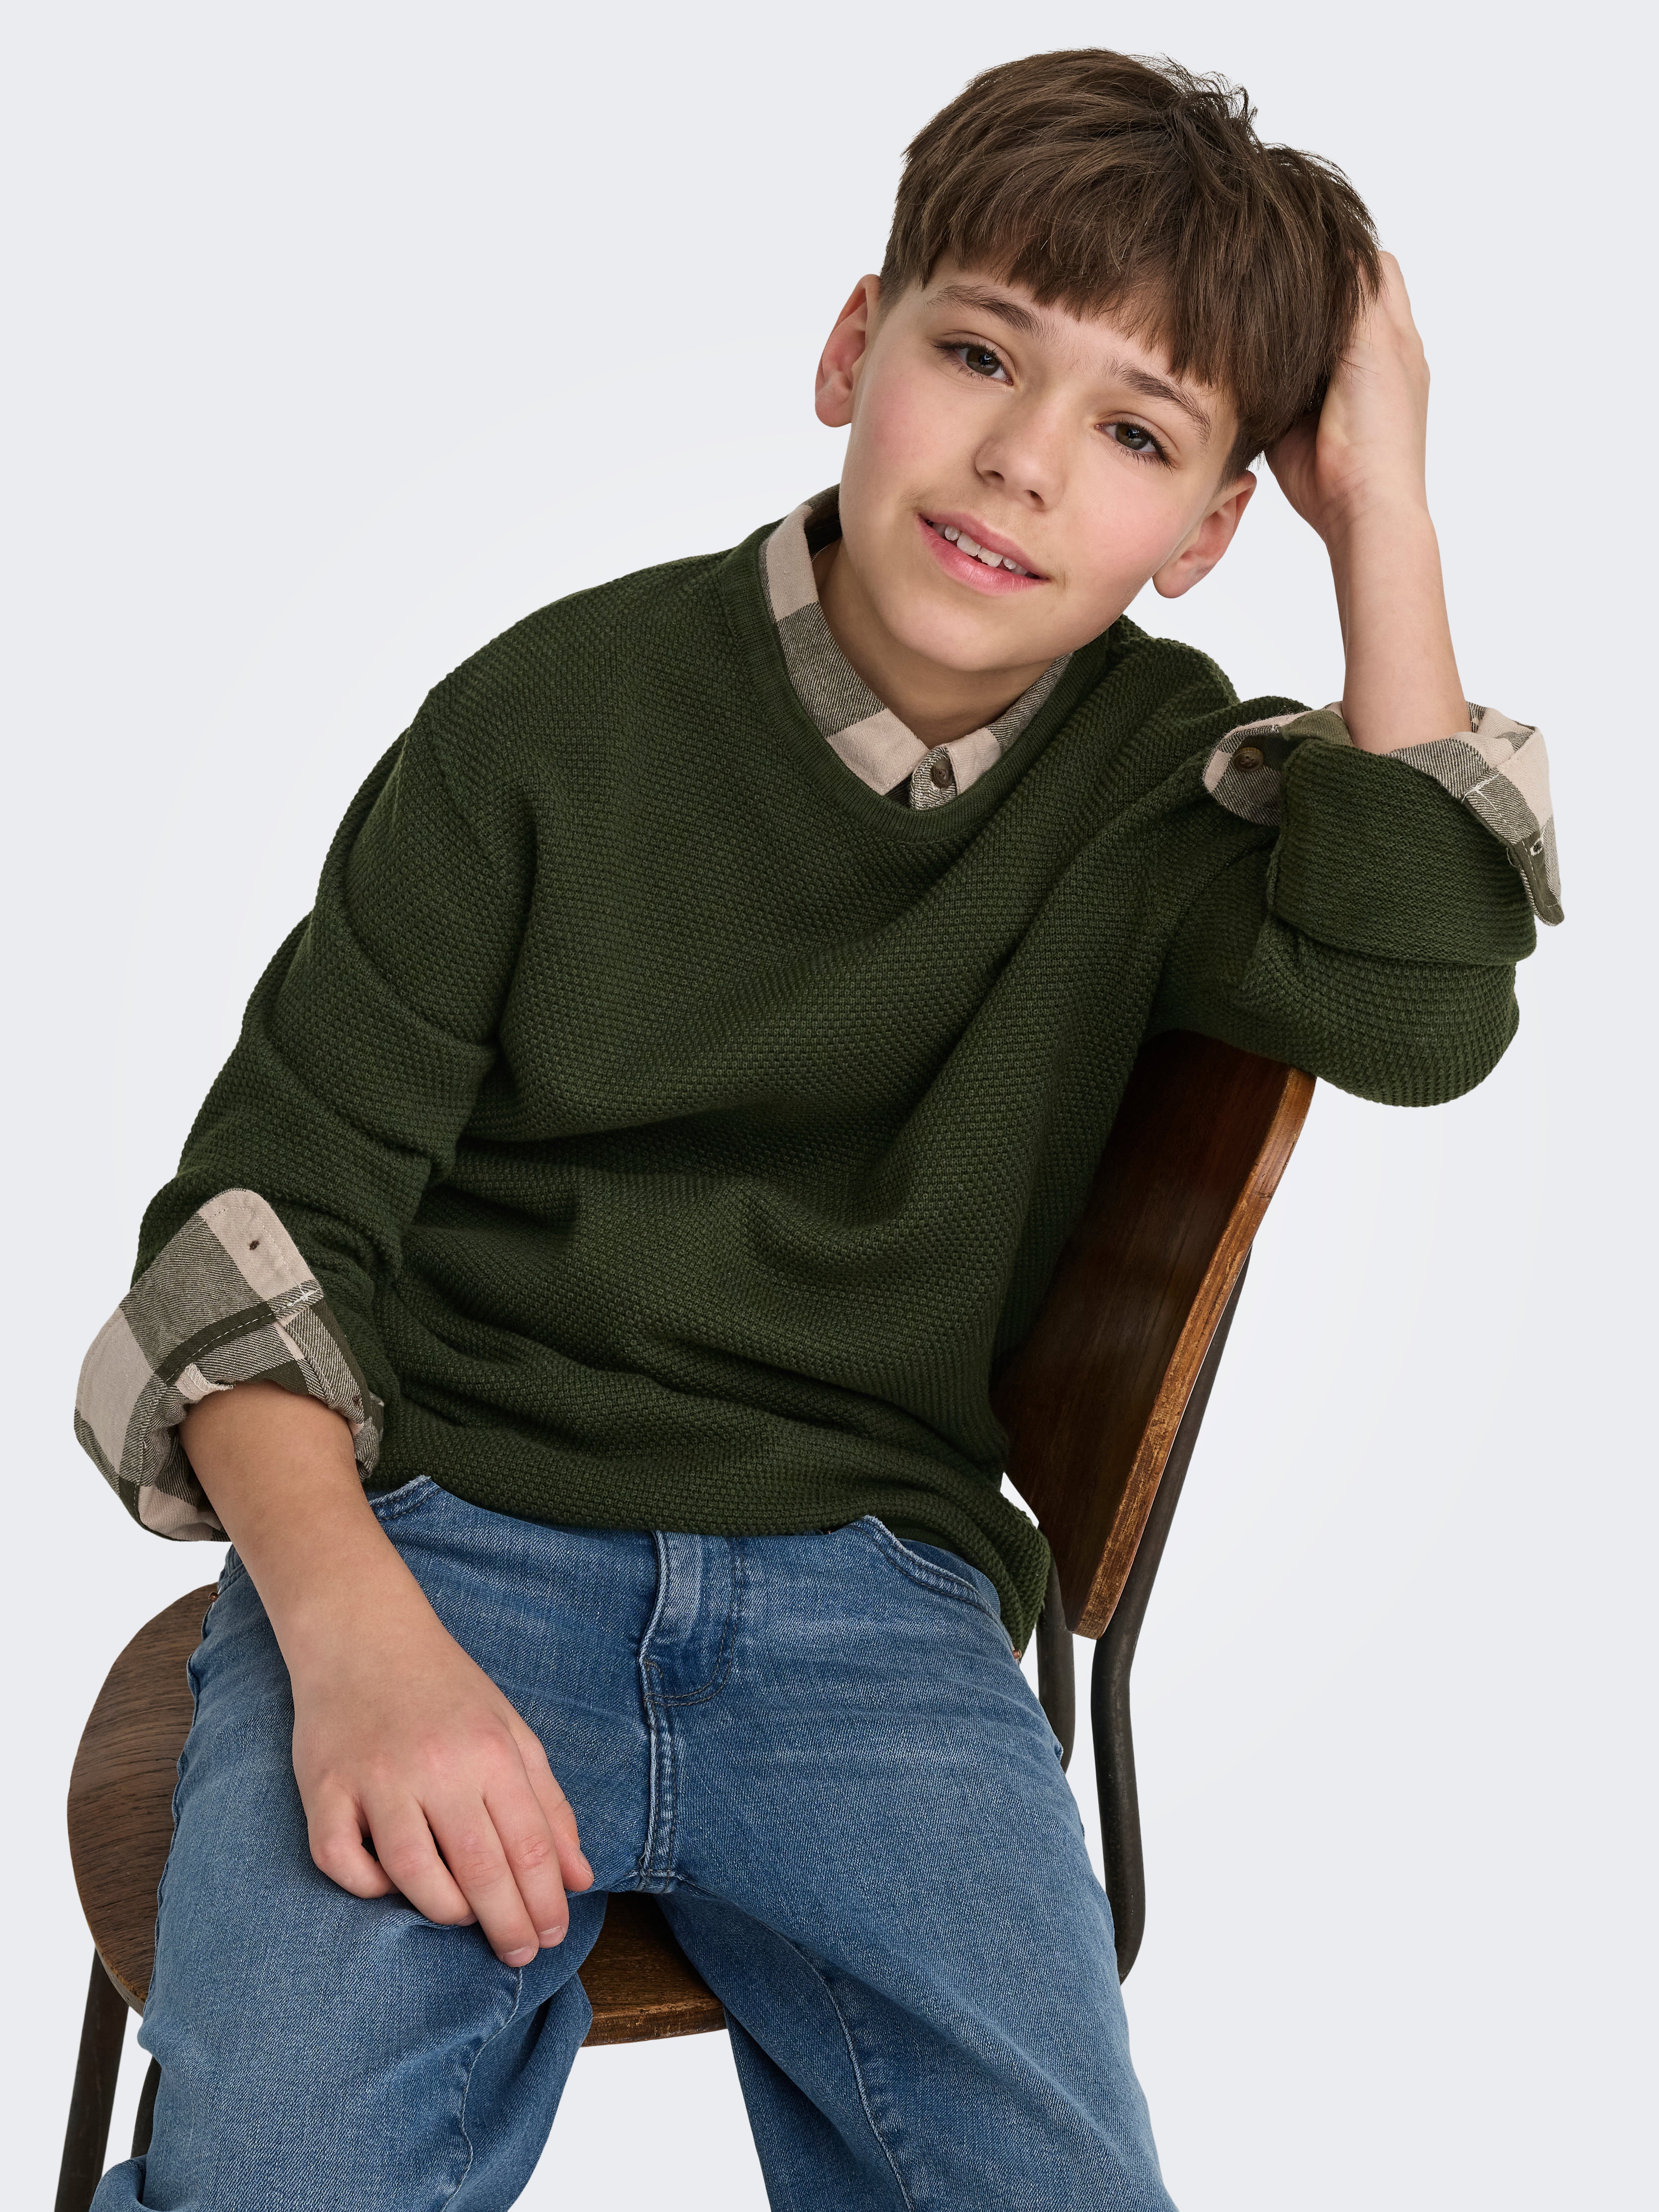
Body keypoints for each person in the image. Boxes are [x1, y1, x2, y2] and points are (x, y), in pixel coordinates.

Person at [73, 47, 1558, 2211]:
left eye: (1138, 433)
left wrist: (1388, 513)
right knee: (284, 2173)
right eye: (982, 355)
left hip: (873, 1602)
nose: (1023, 462)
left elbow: (1423, 1005)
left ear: (1209, 533)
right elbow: (259, 1226)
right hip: (441, 1532)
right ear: (856, 346)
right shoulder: (545, 722)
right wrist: (361, 1643)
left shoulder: (1163, 789)